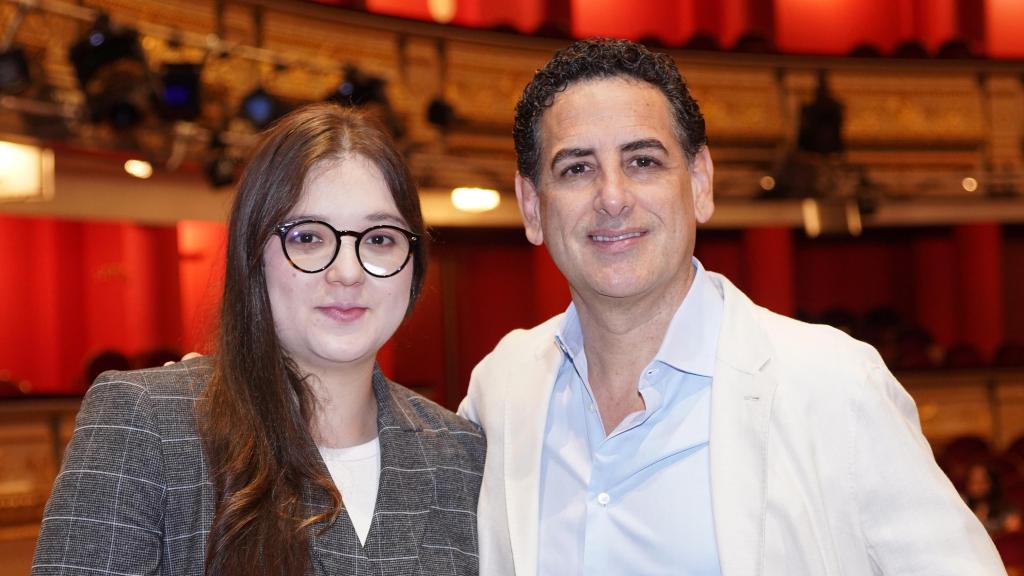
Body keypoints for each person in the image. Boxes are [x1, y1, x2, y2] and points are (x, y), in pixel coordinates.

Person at [458, 38, 1006, 575]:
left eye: (643, 161)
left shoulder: (838, 384)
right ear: (532, 205)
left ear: (700, 183)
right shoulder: (499, 391)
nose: (613, 196)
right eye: (576, 168)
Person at [33, 103, 486, 576]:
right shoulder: (149, 424)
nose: (348, 272)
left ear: (413, 263)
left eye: (379, 239)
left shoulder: (461, 452)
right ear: (253, 254)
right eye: (308, 237)